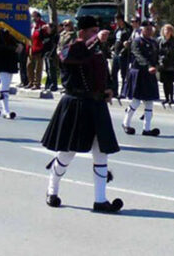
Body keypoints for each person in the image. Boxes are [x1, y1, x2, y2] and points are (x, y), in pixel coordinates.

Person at [40, 15, 122, 213]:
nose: (97, 34)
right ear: (82, 32)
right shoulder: (70, 48)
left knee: (101, 152)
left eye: (97, 31)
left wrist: (109, 89)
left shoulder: (95, 50)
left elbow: (103, 72)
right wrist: (94, 40)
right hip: (77, 105)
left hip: (96, 105)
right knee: (68, 152)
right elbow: (72, 56)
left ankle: (100, 200)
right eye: (92, 31)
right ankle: (52, 190)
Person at [122, 20, 161, 136]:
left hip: (149, 74)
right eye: (147, 29)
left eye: (150, 29)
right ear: (142, 30)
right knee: (136, 100)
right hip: (139, 73)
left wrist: (158, 65)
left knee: (149, 101)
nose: (149, 31)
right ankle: (126, 123)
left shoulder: (154, 42)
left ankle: (146, 129)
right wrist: (149, 66)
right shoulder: (137, 41)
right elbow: (138, 56)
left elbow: (157, 56)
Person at [157, 24, 174, 105]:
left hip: (171, 63)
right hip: (162, 64)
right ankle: (166, 98)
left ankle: (171, 98)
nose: (167, 31)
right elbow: (157, 51)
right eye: (165, 30)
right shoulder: (159, 40)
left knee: (170, 82)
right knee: (164, 82)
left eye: (169, 30)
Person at [111, 13, 132, 96]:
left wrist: (124, 49)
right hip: (116, 53)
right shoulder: (117, 29)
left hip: (123, 54)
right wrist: (112, 48)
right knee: (113, 73)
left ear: (121, 20)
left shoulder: (128, 29)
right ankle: (114, 91)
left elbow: (130, 40)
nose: (116, 22)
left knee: (123, 74)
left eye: (118, 20)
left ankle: (123, 92)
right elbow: (115, 40)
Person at [27, 11, 47, 89]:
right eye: (32, 16)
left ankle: (37, 83)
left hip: (39, 48)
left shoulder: (42, 25)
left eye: (34, 16)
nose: (33, 18)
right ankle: (30, 82)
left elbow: (44, 36)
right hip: (31, 47)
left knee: (38, 67)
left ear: (38, 17)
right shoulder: (32, 25)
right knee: (29, 65)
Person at [43, 22, 59, 91]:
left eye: (48, 27)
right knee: (47, 70)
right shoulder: (46, 35)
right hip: (46, 54)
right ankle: (48, 83)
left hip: (52, 55)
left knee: (52, 70)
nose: (47, 29)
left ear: (52, 28)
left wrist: (50, 54)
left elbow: (55, 45)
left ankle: (54, 85)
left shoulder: (55, 35)